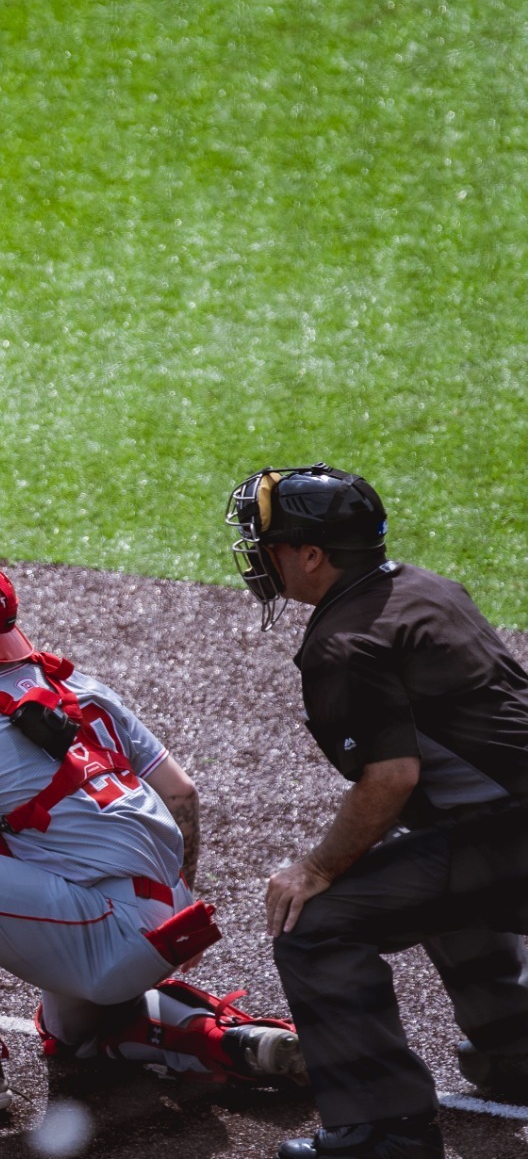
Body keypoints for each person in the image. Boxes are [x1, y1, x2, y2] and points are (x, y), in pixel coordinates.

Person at [0, 548, 301, 1123]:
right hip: (170, 924)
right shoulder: (75, 685)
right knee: (73, 1035)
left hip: (101, 936)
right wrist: (177, 904)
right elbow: (180, 793)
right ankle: (223, 1041)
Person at [228, 464, 528, 1159]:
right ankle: (515, 1051)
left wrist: (317, 868)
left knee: (317, 925)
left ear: (311, 555)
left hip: (511, 837)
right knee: (427, 864)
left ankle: (384, 1129)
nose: (263, 557)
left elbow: (390, 777)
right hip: (502, 824)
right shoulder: (424, 587)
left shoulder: (344, 642)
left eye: (272, 543)